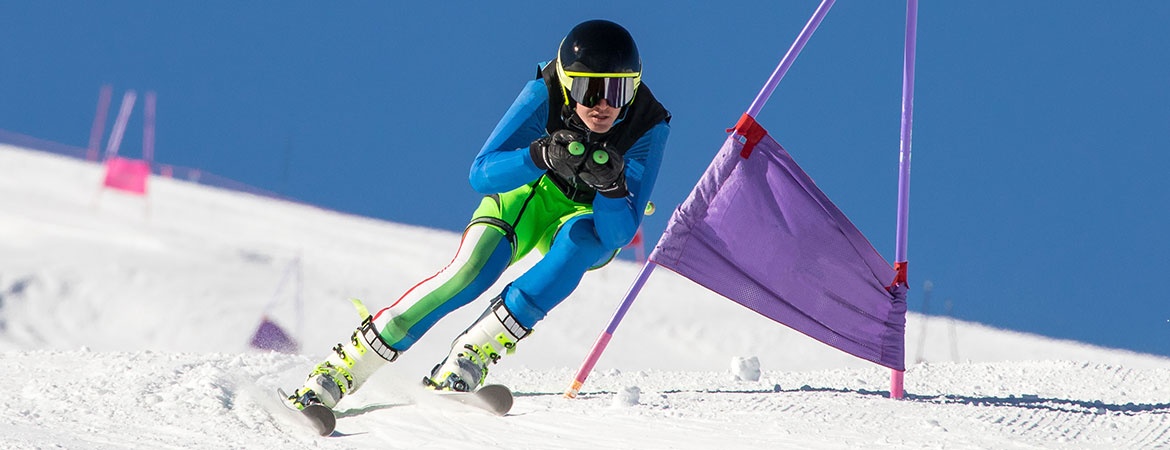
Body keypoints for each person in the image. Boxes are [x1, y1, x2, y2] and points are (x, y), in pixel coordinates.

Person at [286, 19, 671, 410]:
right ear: (569, 85)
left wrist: (611, 188)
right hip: (529, 196)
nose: (604, 105)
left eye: (618, 90)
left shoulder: (648, 124)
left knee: (581, 245)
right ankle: (343, 368)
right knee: (471, 272)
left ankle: (470, 355)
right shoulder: (547, 90)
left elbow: (618, 234)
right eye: (589, 90)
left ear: (634, 87)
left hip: (584, 216)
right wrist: (538, 154)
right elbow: (482, 173)